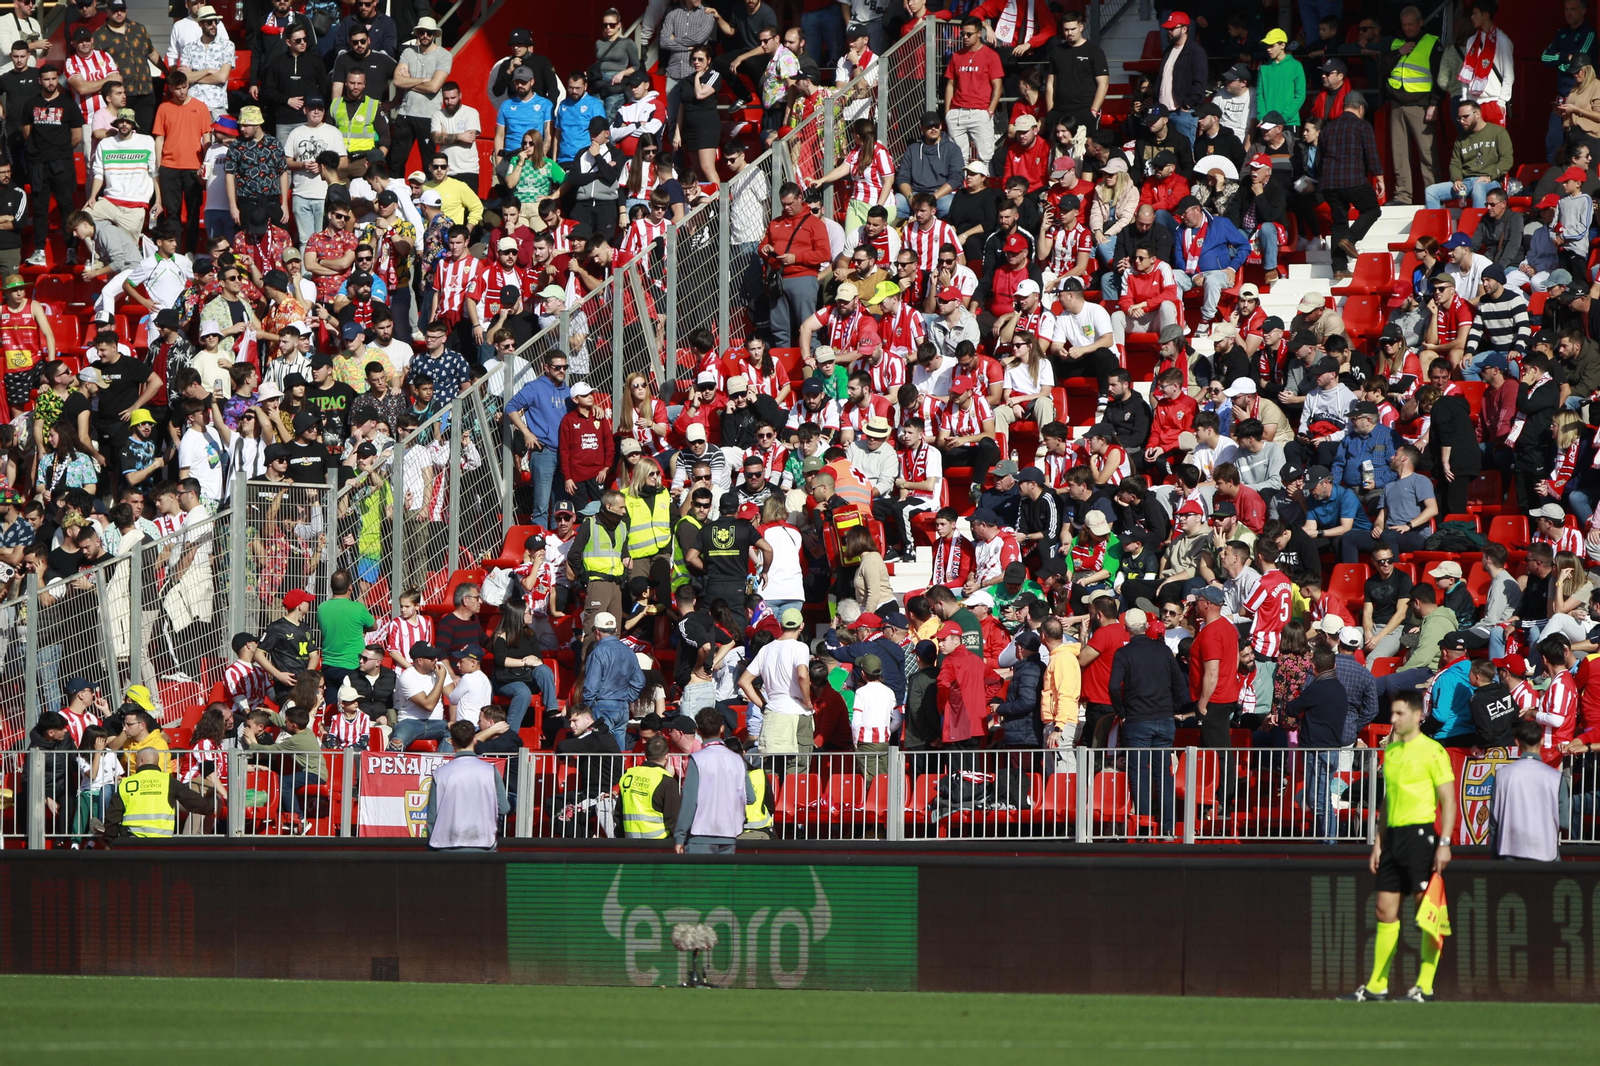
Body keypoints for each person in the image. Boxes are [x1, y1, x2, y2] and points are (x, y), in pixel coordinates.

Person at [1339, 691, 1456, 1002]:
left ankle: (1426, 987)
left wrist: (1444, 843)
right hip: (1393, 838)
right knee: (1384, 910)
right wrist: (1378, 842)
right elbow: (1388, 801)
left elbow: (1448, 799)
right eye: (1392, 714)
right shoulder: (1392, 752)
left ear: (1417, 715)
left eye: (1400, 714)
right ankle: (1377, 986)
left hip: (1420, 836)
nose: (1393, 719)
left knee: (1425, 911)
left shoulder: (1433, 751)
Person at [1108, 607, 1187, 835]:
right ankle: (1167, 829)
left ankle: (1144, 828)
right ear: (1145, 627)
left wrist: (1122, 713)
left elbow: (1113, 687)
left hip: (1137, 720)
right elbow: (1180, 685)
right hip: (1163, 718)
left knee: (1140, 773)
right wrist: (1171, 708)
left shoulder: (1123, 654)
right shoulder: (1163, 651)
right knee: (1164, 774)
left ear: (1126, 629)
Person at [673, 706, 756, 854]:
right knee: (723, 877)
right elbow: (750, 798)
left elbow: (689, 801)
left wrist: (680, 836)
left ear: (698, 731)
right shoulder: (737, 760)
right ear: (722, 728)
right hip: (729, 833)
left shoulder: (697, 759)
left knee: (701, 877)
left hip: (700, 834)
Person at [1318, 95, 1383, 281]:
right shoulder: (1362, 125)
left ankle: (1339, 268)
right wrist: (1379, 176)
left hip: (1329, 183)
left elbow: (1319, 160)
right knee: (1372, 209)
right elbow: (1371, 153)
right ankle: (1351, 239)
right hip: (1353, 179)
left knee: (1338, 222)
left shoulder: (1327, 128)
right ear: (1361, 109)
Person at [1288, 644, 1348, 842]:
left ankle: (1330, 841)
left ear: (1314, 667)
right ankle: (1328, 838)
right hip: (1331, 751)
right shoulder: (1340, 689)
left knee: (1319, 800)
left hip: (1318, 752)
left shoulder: (1317, 689)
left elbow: (1293, 708)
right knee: (1319, 797)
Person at [425, 718, 510, 851]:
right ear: (475, 740)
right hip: (483, 843)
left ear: (452, 742)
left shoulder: (440, 773)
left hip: (446, 845)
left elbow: (432, 817)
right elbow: (503, 808)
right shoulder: (490, 771)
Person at [101, 746, 218, 841]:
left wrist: (108, 839)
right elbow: (195, 802)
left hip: (133, 840)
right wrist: (212, 804)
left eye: (136, 761)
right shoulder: (168, 781)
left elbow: (113, 815)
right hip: (162, 842)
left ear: (142, 761)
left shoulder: (126, 783)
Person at [1490, 718, 1562, 860]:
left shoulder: (1502, 775)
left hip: (1509, 851)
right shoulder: (1556, 777)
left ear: (1517, 742)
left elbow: (1494, 820)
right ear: (1541, 741)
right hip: (1546, 853)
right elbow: (1564, 820)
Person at [582, 610, 645, 750]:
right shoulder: (629, 651)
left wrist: (587, 706)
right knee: (618, 753)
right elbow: (639, 681)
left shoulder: (598, 652)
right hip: (622, 706)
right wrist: (626, 698)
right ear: (616, 630)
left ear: (597, 632)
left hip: (603, 706)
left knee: (603, 751)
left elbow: (591, 687)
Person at [316, 567, 375, 694]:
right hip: (352, 665)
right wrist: (362, 628)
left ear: (331, 587)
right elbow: (374, 626)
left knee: (332, 705)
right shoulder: (358, 608)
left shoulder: (321, 608)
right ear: (350, 587)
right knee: (352, 705)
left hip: (328, 665)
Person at [617, 734, 681, 840]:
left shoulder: (628, 775)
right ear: (667, 756)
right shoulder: (666, 780)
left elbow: (618, 812)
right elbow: (673, 818)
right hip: (658, 845)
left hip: (630, 842)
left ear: (645, 754)